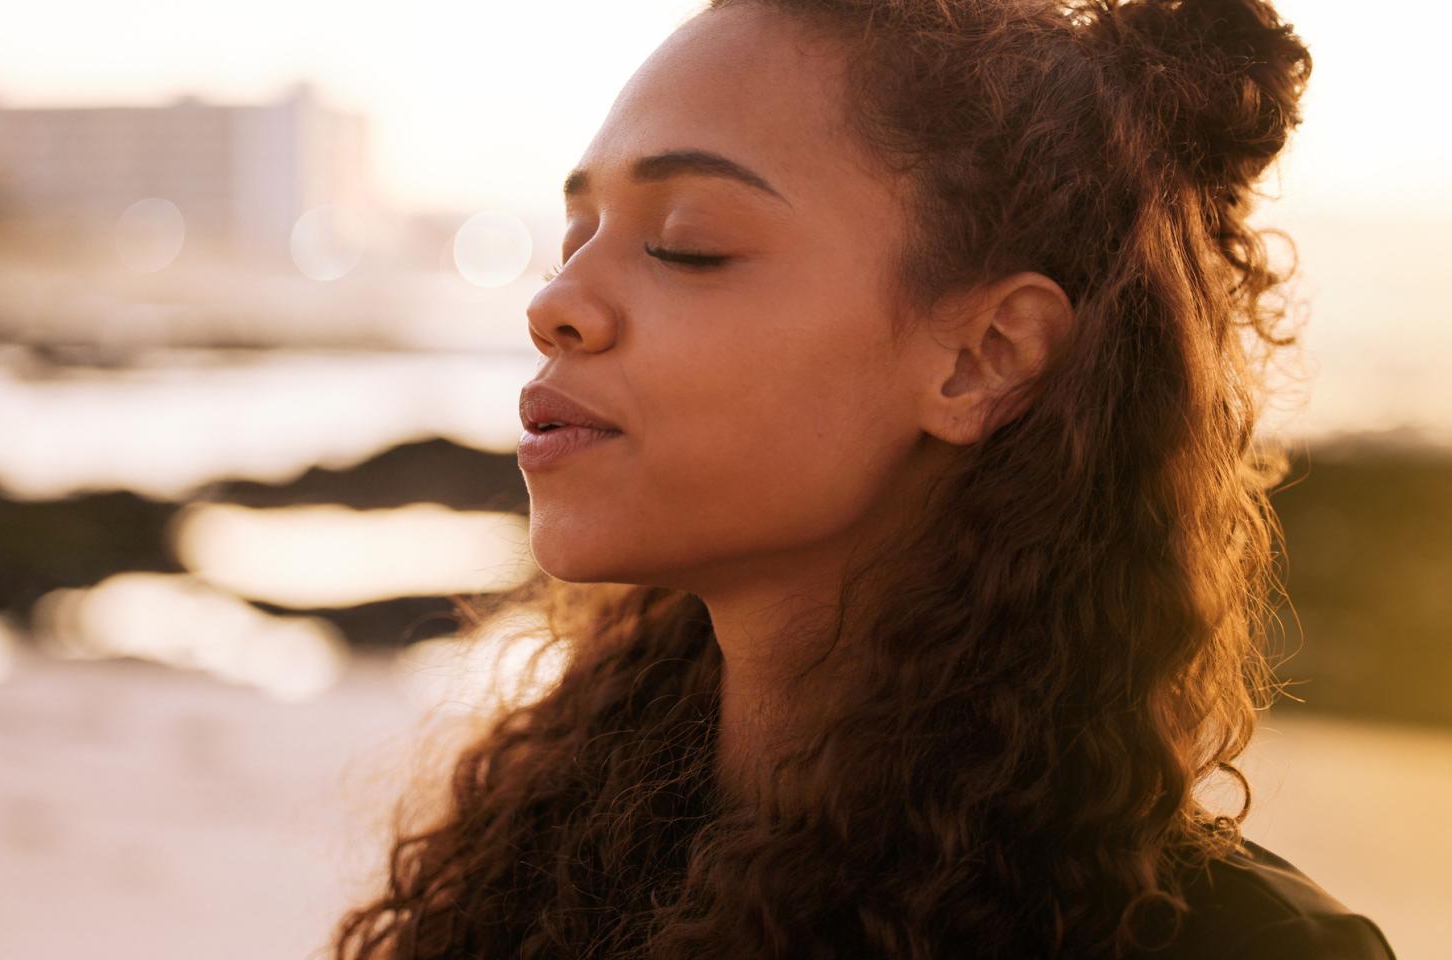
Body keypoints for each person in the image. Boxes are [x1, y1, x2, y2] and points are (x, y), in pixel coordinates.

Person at [334, 0, 1398, 956]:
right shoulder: (544, 864)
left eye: (685, 244)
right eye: (576, 235)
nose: (555, 303)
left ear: (982, 357)